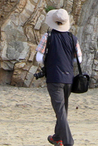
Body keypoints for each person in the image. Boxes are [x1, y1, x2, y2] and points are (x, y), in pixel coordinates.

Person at [35, 8, 83, 146]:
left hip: (54, 78)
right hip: (69, 79)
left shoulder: (47, 36)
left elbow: (39, 57)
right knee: (63, 110)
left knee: (60, 111)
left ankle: (68, 142)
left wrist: (49, 62)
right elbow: (78, 60)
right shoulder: (73, 38)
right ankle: (57, 137)